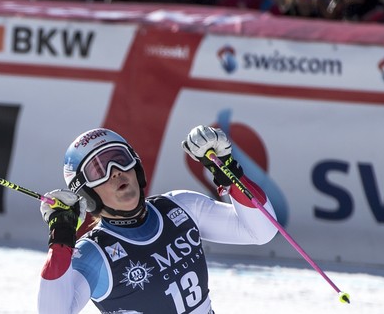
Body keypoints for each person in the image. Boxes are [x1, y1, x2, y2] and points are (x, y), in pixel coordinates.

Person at [37, 126, 278, 313]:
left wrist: (229, 173)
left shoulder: (180, 206)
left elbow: (261, 231)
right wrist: (61, 240)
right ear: (86, 193)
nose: (115, 171)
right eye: (99, 171)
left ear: (136, 166)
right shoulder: (93, 253)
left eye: (120, 159)